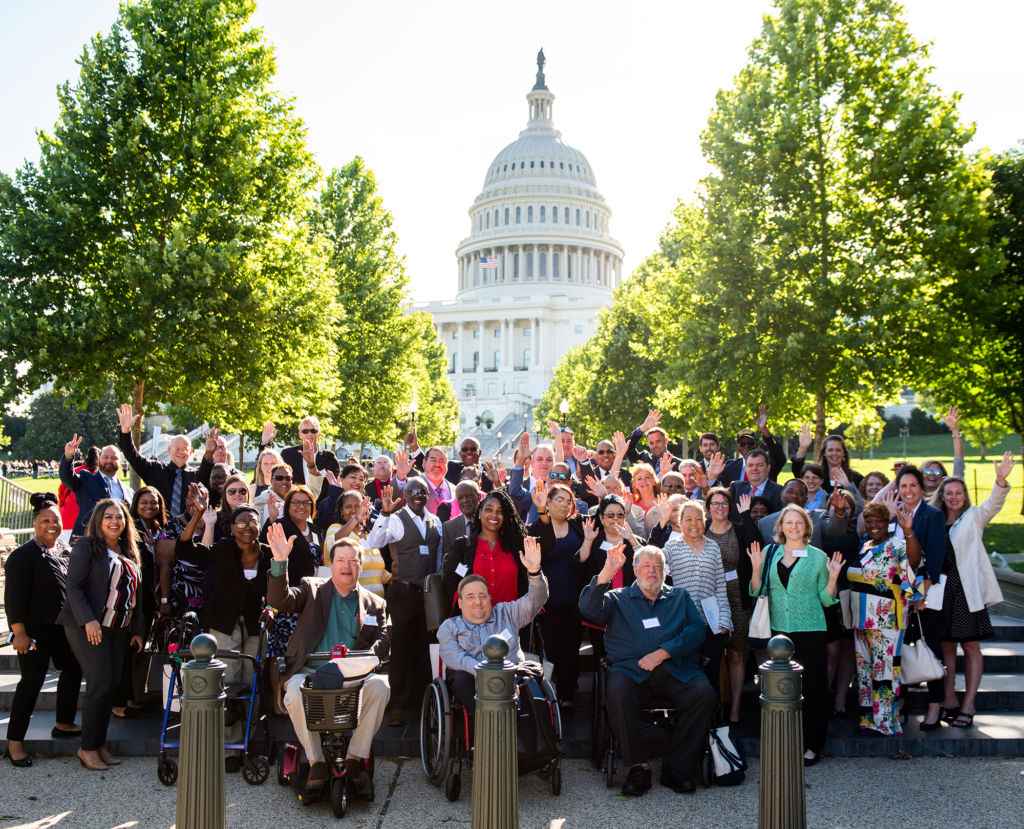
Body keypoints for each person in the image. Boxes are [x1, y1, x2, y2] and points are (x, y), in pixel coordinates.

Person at [579, 544, 717, 796]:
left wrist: (664, 652)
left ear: (665, 571)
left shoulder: (679, 596)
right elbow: (588, 610)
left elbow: (697, 630)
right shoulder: (616, 598)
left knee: (703, 694)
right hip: (631, 672)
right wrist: (607, 572)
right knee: (617, 691)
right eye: (646, 565)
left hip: (675, 669)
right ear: (634, 570)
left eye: (657, 566)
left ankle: (677, 767)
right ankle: (637, 767)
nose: (652, 571)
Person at [266, 528, 390, 795]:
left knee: (381, 686)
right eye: (341, 559)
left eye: (353, 559)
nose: (347, 565)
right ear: (330, 564)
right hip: (311, 670)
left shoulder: (375, 603)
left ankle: (356, 758)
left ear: (361, 564)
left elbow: (384, 639)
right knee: (294, 692)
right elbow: (279, 599)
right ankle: (316, 761)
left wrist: (367, 659)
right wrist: (279, 561)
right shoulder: (311, 589)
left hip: (355, 675)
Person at [748, 505, 844, 765]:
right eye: (788, 522)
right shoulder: (769, 553)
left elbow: (826, 599)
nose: (793, 527)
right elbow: (756, 592)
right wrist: (756, 569)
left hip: (811, 630)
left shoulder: (817, 557)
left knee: (813, 689)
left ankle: (813, 745)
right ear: (780, 527)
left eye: (798, 523)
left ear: (806, 527)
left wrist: (833, 577)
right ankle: (785, 742)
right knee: (783, 690)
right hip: (779, 633)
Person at [58, 498, 145, 771]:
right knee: (99, 684)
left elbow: (136, 595)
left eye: (119, 517)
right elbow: (74, 587)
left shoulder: (129, 550)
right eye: (108, 517)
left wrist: (137, 630)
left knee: (112, 684)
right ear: (98, 520)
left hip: (118, 629)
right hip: (89, 628)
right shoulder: (86, 547)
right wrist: (88, 621)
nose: (114, 522)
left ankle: (99, 743)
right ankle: (87, 748)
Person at [930, 452, 1015, 728]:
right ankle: (950, 698)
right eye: (949, 493)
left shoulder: (974, 516)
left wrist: (1000, 479)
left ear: (965, 495)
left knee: (970, 646)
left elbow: (995, 503)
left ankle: (969, 705)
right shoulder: (934, 520)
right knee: (946, 648)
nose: (954, 497)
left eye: (959, 492)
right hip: (941, 592)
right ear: (942, 495)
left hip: (966, 591)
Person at [4, 493, 83, 766]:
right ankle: (15, 744)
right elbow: (13, 597)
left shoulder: (63, 550)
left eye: (56, 520)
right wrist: (19, 632)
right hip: (33, 631)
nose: (52, 524)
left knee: (73, 669)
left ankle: (64, 722)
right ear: (35, 523)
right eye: (45, 520)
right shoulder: (22, 556)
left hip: (61, 629)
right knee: (31, 684)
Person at [437, 538, 548, 712]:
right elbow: (455, 658)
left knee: (532, 674)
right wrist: (490, 675)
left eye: (482, 595)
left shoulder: (507, 613)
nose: (478, 601)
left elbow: (535, 601)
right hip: (474, 682)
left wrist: (534, 572)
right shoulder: (450, 627)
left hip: (513, 677)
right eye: (470, 597)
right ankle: (487, 729)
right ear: (460, 603)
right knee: (460, 680)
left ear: (490, 598)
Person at [365, 476, 440, 727]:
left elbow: (438, 558)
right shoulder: (396, 518)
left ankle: (419, 703)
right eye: (412, 491)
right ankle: (396, 705)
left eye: (422, 491)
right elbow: (374, 542)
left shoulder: (435, 521)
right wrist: (385, 514)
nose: (417, 495)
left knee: (423, 650)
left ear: (428, 495)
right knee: (400, 650)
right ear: (405, 495)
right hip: (403, 592)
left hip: (427, 595)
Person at [176, 502, 271, 687]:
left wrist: (271, 608)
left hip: (255, 622)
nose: (247, 528)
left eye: (252, 523)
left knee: (253, 676)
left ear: (259, 526)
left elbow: (276, 588)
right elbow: (185, 549)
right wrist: (198, 515)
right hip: (224, 622)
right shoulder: (222, 549)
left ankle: (248, 714)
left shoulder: (268, 552)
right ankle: (229, 715)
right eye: (241, 524)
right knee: (228, 675)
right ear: (233, 528)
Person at [850, 502, 920, 735]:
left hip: (887, 620)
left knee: (886, 670)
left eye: (878, 521)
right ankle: (868, 719)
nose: (873, 525)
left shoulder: (896, 545)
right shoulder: (865, 546)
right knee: (864, 670)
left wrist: (908, 531)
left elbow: (913, 561)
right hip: (861, 620)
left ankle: (885, 722)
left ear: (887, 523)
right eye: (869, 521)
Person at [887, 465, 947, 730]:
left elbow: (935, 556)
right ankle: (902, 703)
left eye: (913, 486)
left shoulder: (932, 515)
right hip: (895, 593)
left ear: (921, 488)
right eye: (903, 486)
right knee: (899, 650)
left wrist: (921, 594)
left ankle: (936, 704)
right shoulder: (892, 515)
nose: (908, 491)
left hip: (924, 593)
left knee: (930, 647)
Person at [661, 500, 732, 699]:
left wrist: (724, 619)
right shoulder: (672, 546)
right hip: (681, 623)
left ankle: (713, 724)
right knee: (685, 674)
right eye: (689, 519)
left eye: (699, 519)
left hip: (710, 623)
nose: (694, 523)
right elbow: (655, 566)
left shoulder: (713, 547)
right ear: (680, 522)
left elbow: (720, 586)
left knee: (711, 673)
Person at [703, 487, 758, 725]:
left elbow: (756, 544)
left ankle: (734, 707)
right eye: (715, 504)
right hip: (709, 600)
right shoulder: (702, 530)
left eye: (724, 503)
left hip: (737, 600)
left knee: (736, 655)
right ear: (708, 508)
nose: (720, 508)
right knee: (713, 656)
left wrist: (746, 516)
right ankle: (712, 706)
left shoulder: (740, 528)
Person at [530, 481, 587, 711]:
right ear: (548, 502)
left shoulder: (578, 526)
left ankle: (566, 694)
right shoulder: (536, 528)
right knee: (552, 648)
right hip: (548, 602)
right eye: (559, 500)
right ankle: (548, 692)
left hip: (574, 600)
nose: (565, 505)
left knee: (571, 648)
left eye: (568, 501)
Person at [263, 485, 322, 660]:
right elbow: (267, 554)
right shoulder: (281, 526)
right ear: (287, 505)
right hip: (288, 599)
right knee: (286, 654)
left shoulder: (315, 530)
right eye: (296, 502)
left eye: (306, 503)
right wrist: (272, 519)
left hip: (310, 599)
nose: (301, 506)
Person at [116, 404, 196, 518]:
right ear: (169, 449)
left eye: (184, 449)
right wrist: (125, 430)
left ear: (190, 452)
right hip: (159, 529)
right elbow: (132, 456)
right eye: (177, 448)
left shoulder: (196, 475)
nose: (181, 452)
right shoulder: (155, 470)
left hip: (189, 529)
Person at [59, 434, 134, 539]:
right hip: (88, 542)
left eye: (114, 458)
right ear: (98, 461)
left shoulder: (128, 492)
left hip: (117, 544)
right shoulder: (85, 480)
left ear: (120, 462)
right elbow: (67, 477)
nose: (109, 460)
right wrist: (68, 456)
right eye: (105, 457)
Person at [257, 417, 340, 505]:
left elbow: (333, 486)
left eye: (313, 431)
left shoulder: (329, 457)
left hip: (322, 510)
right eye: (305, 431)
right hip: (294, 508)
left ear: (319, 434)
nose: (309, 434)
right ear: (300, 434)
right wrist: (265, 443)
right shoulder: (288, 454)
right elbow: (268, 467)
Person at [728, 449, 783, 516]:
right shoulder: (736, 488)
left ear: (768, 468)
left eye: (759, 465)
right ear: (745, 468)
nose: (754, 469)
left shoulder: (780, 492)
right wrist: (712, 477)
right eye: (750, 465)